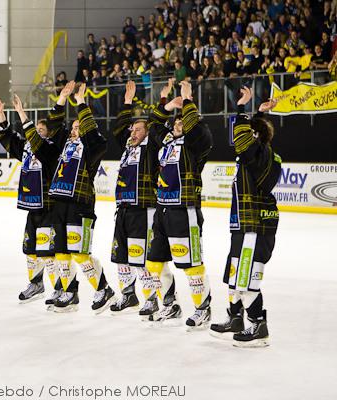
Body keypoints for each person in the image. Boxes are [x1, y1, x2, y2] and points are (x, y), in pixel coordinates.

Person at [210, 87, 281, 348]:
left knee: (246, 280)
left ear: (255, 136)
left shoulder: (261, 155)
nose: (239, 137)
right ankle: (235, 318)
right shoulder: (254, 155)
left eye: (248, 131)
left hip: (255, 227)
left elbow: (242, 138)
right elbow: (246, 139)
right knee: (234, 276)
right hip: (243, 225)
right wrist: (259, 114)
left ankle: (258, 325)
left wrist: (241, 108)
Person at [146, 80, 214, 330]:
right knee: (154, 262)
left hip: (185, 210)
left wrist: (187, 100)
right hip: (162, 210)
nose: (178, 123)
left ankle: (202, 308)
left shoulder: (195, 146)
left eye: (183, 121)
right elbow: (153, 125)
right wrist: (165, 105)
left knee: (191, 264)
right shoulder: (166, 141)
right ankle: (170, 304)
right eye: (176, 121)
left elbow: (201, 133)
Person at [0, 88, 67, 306]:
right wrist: (1, 114)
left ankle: (59, 287)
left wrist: (22, 113)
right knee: (30, 249)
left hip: (49, 206)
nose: (36, 132)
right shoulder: (26, 148)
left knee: (48, 251)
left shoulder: (51, 148)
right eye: (36, 129)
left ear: (48, 134)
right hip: (32, 206)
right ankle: (36, 283)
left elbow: (37, 139)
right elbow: (8, 138)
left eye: (41, 130)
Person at [47, 83, 115, 314]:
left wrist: (81, 103)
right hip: (59, 202)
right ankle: (69, 292)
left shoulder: (93, 148)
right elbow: (54, 127)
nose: (75, 131)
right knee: (61, 253)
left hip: (80, 204)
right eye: (74, 128)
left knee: (80, 253)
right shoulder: (64, 145)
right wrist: (61, 100)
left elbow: (93, 137)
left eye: (80, 127)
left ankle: (103, 288)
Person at [109, 81, 161, 316]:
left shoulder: (152, 149)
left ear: (147, 133)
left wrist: (163, 103)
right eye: (133, 130)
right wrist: (127, 102)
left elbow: (157, 128)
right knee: (121, 255)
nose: (133, 133)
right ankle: (128, 294)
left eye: (138, 130)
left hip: (143, 209)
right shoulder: (129, 147)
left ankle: (152, 297)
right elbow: (119, 129)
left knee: (142, 257)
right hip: (124, 208)